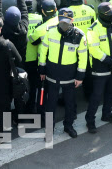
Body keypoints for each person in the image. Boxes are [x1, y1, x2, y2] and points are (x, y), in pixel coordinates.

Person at [39, 8, 87, 138]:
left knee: (70, 103)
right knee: (50, 105)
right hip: (52, 74)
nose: (63, 24)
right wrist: (42, 70)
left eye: (66, 21)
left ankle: (68, 126)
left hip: (69, 76)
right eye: (61, 20)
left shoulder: (79, 36)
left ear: (72, 20)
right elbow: (43, 52)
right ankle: (49, 131)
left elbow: (83, 57)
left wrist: (80, 76)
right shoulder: (51, 31)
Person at [85, 2, 112, 133]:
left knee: (111, 92)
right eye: (110, 14)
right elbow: (94, 50)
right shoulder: (93, 29)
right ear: (102, 15)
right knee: (96, 95)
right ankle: (90, 120)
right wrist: (110, 62)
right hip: (100, 66)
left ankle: (107, 114)